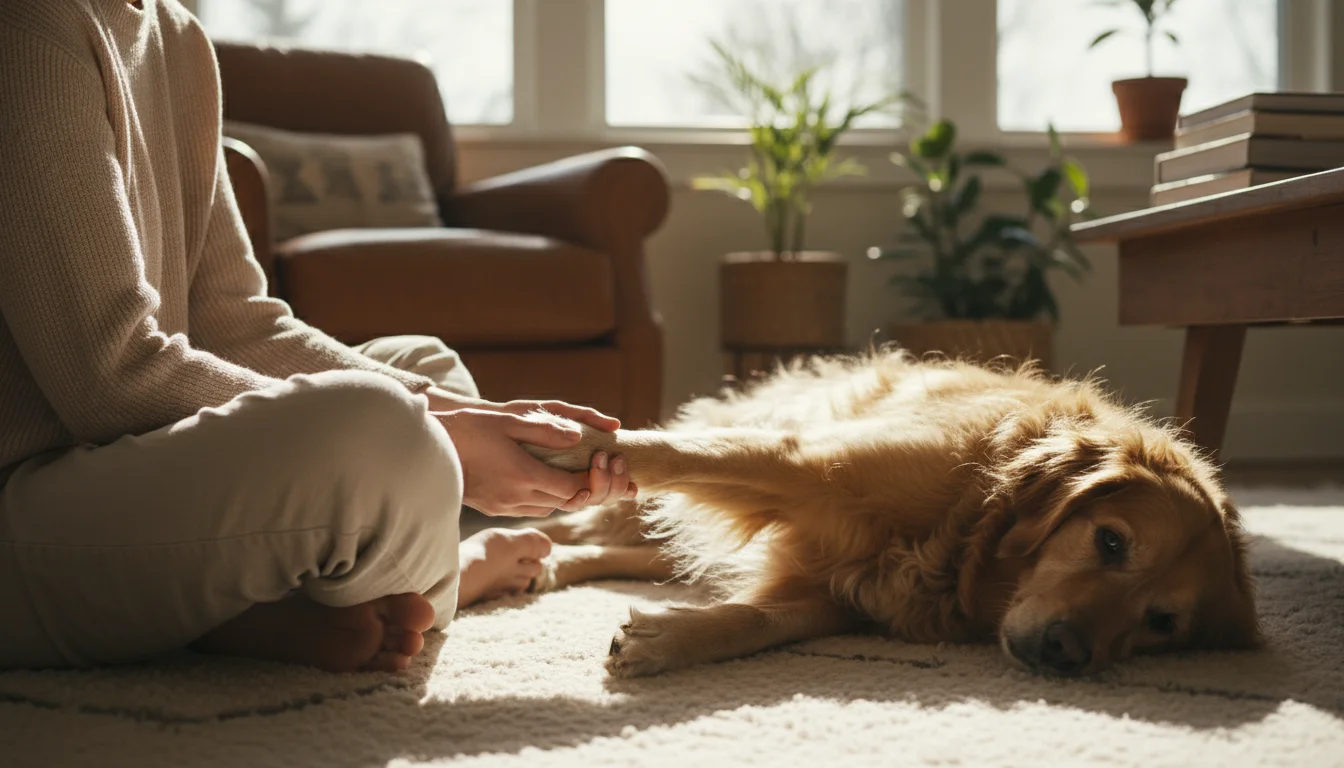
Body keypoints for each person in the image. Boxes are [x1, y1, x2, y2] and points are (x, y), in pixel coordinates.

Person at [0, 0, 633, 673]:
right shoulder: (33, 25)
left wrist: (458, 414)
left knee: (424, 367)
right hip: (31, 498)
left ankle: (242, 613)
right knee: (384, 431)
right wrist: (442, 436)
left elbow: (240, 323)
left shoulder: (177, 36)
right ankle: (439, 575)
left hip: (128, 471)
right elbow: (109, 376)